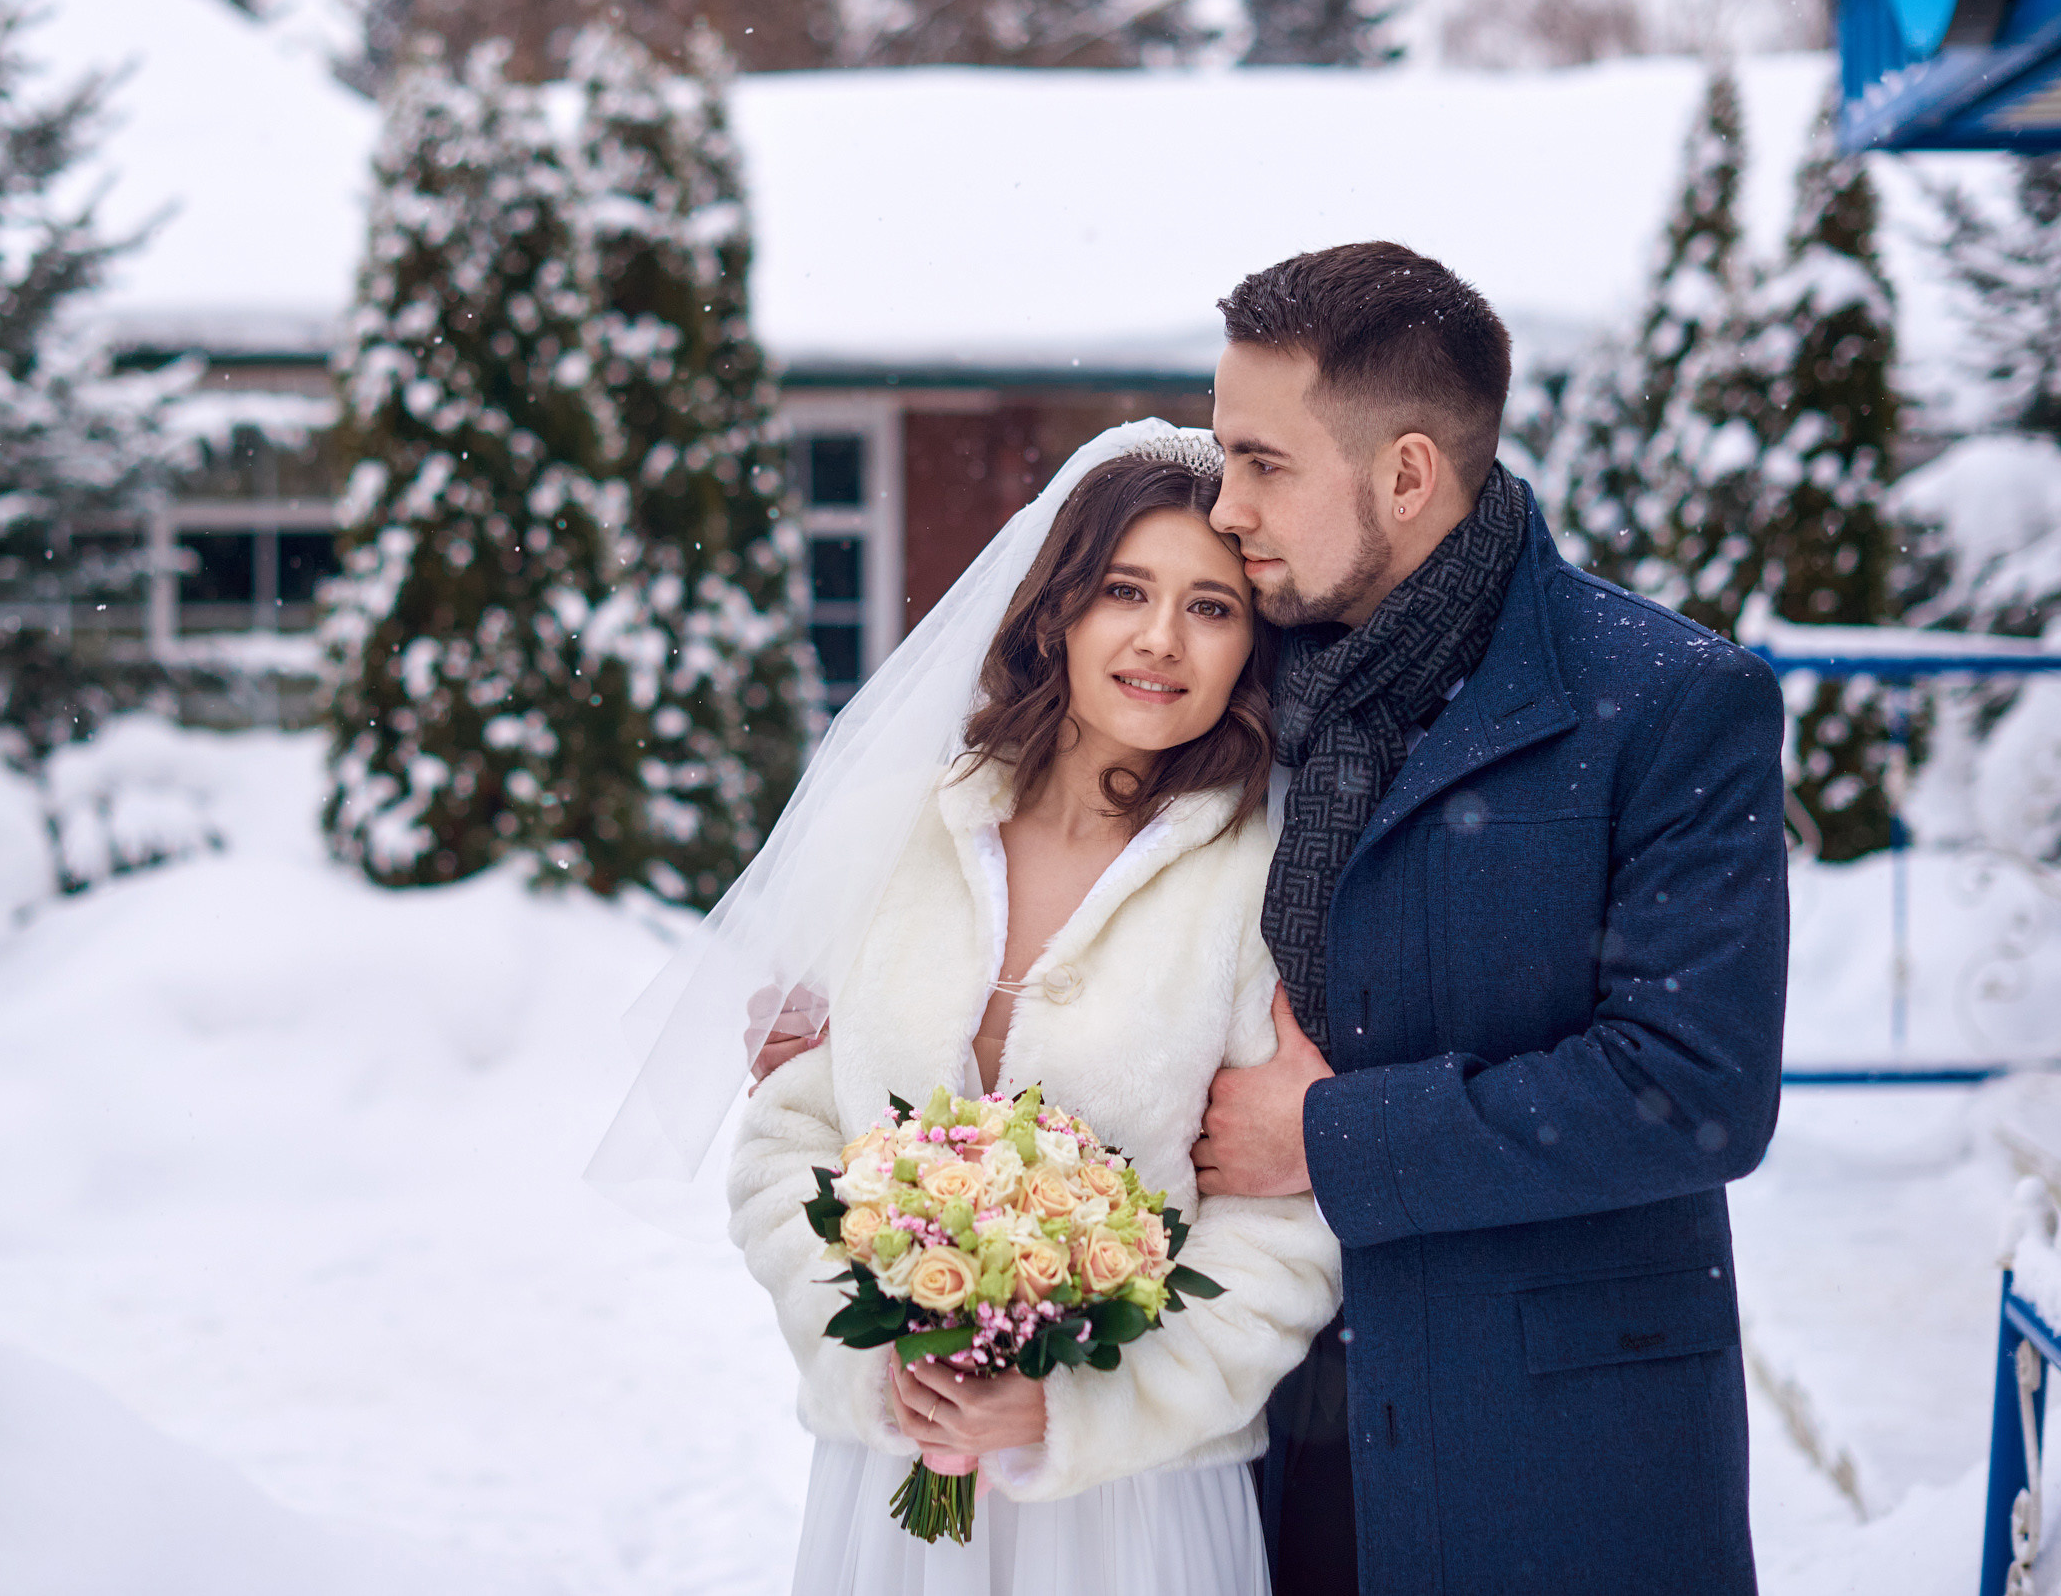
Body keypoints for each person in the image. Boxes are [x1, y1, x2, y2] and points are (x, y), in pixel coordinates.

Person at [752, 243, 1790, 1596]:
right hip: (1271, 1451)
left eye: (1262, 460)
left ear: (1407, 474)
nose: (1227, 502)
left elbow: (1694, 1087)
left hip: (1538, 1435)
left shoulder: (1663, 699)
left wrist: (1330, 1134)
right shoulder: (1261, 654)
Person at [728, 432, 1343, 1596]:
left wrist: (1071, 1405)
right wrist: (874, 1354)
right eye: (1125, 590)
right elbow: (784, 1143)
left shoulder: (1267, 881)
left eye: (1210, 606)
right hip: (890, 1496)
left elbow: (1283, 1240)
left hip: (1135, 1511)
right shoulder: (904, 827)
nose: (1160, 638)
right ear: (1058, 607)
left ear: (1250, 643)